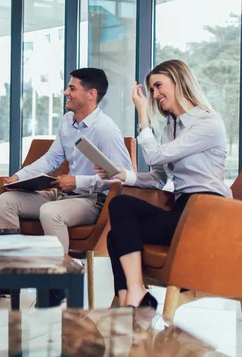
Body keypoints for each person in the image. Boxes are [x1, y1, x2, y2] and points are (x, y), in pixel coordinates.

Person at [0, 68, 133, 302]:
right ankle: (4, 279)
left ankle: (58, 283)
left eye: (72, 88)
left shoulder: (106, 131)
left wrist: (79, 181)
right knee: (8, 200)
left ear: (91, 94)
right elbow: (52, 158)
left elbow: (123, 177)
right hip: (62, 194)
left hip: (91, 200)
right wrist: (19, 176)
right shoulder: (68, 121)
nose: (66, 92)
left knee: (51, 212)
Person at [95, 59, 231, 308]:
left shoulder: (208, 123)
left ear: (178, 82)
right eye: (152, 90)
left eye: (158, 86)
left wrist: (142, 116)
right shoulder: (172, 127)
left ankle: (131, 299)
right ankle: (134, 294)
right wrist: (120, 175)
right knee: (121, 205)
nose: (155, 95)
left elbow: (156, 155)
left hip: (208, 212)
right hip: (182, 209)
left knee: (118, 235)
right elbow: (158, 177)